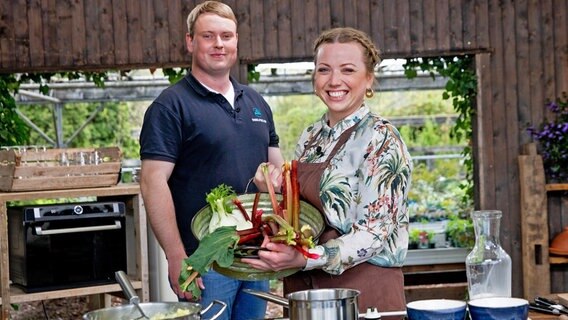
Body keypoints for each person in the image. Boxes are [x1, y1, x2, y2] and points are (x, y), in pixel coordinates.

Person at [244, 27, 412, 318]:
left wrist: (307, 257)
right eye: (324, 70)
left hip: (363, 291)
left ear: (369, 79)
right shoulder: (311, 136)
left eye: (348, 70)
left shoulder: (381, 139)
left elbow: (373, 234)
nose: (334, 81)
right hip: (305, 289)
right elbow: (302, 218)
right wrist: (272, 190)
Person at [138, 1, 284, 319]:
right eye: (208, 36)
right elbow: (152, 182)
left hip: (255, 254)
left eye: (227, 36)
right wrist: (176, 255)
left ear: (236, 42)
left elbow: (277, 170)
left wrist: (274, 181)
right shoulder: (170, 107)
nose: (219, 44)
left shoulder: (256, 102)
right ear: (191, 41)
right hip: (205, 259)